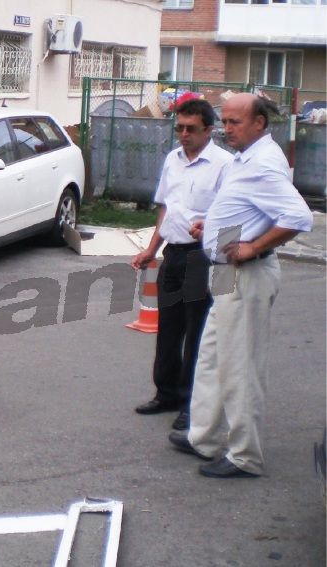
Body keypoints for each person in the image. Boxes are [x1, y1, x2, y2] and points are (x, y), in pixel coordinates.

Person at [169, 93, 313, 478]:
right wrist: (212, 228)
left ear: (259, 124)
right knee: (212, 357)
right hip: (226, 270)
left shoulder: (263, 164)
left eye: (235, 122)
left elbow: (298, 216)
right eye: (226, 121)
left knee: (239, 366)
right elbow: (248, 209)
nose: (227, 129)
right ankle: (205, 438)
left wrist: (253, 246)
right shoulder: (245, 158)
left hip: (246, 274)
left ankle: (244, 455)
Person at [132, 98, 233, 431]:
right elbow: (166, 208)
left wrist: (221, 266)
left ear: (209, 130)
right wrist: (151, 249)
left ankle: (193, 403)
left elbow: (231, 215)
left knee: (197, 333)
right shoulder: (172, 160)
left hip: (202, 256)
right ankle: (167, 393)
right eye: (179, 128)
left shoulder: (224, 164)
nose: (184, 134)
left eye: (191, 128)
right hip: (173, 254)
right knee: (169, 328)